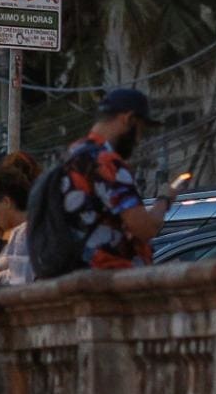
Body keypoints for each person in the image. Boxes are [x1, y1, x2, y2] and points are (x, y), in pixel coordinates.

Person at [58, 88, 183, 270]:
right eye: (140, 130)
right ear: (128, 119)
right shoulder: (107, 163)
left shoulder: (71, 156)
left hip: (72, 276)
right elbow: (145, 229)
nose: (138, 140)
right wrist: (165, 199)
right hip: (106, 279)